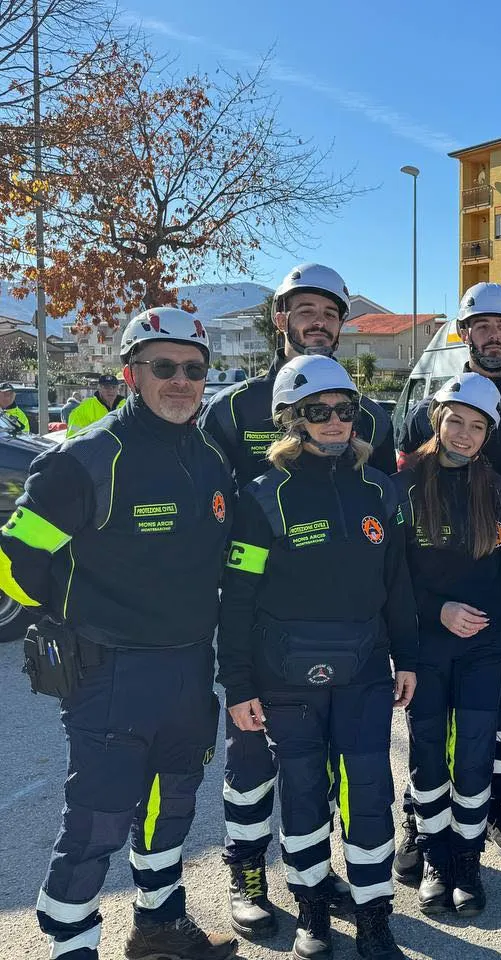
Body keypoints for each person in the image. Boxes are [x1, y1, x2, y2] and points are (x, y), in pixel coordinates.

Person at [2, 308, 238, 960]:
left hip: (190, 667)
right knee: (96, 824)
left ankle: (159, 932)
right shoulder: (85, 459)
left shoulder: (211, 457)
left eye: (194, 369)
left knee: (172, 809)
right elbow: (14, 560)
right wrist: (78, 615)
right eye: (164, 367)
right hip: (109, 674)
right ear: (131, 372)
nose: (181, 381)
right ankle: (72, 950)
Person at [200, 262, 392, 937]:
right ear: (280, 317)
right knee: (253, 763)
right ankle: (248, 872)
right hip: (254, 612)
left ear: (341, 325)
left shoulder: (364, 414)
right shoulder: (230, 408)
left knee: (326, 770)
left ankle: (321, 876)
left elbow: (378, 516)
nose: (317, 321)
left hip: (337, 628)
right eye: (303, 308)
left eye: (330, 312)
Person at [216, 355, 417, 960]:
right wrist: (239, 682)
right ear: (290, 419)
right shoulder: (261, 496)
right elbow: (239, 596)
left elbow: (398, 583)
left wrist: (407, 657)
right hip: (284, 675)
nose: (334, 421)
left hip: (364, 669)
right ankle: (311, 911)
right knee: (303, 791)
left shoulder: (381, 488)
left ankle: (375, 913)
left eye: (344, 410)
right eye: (316, 411)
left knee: (368, 789)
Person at [394, 282, 501, 878]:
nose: (493, 336)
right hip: (436, 595)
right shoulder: (422, 413)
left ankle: (491, 807)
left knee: (497, 707)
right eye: (481, 326)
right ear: (463, 332)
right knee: (427, 720)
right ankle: (419, 817)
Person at [400, 373, 501, 918]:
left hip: (482, 647)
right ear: (437, 419)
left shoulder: (495, 487)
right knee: (428, 751)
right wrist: (438, 611)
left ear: (488, 433)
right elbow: (391, 575)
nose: (464, 434)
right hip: (425, 645)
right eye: (456, 421)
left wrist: (492, 628)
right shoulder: (402, 485)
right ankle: (435, 860)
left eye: (477, 426)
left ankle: (467, 861)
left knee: (473, 751)